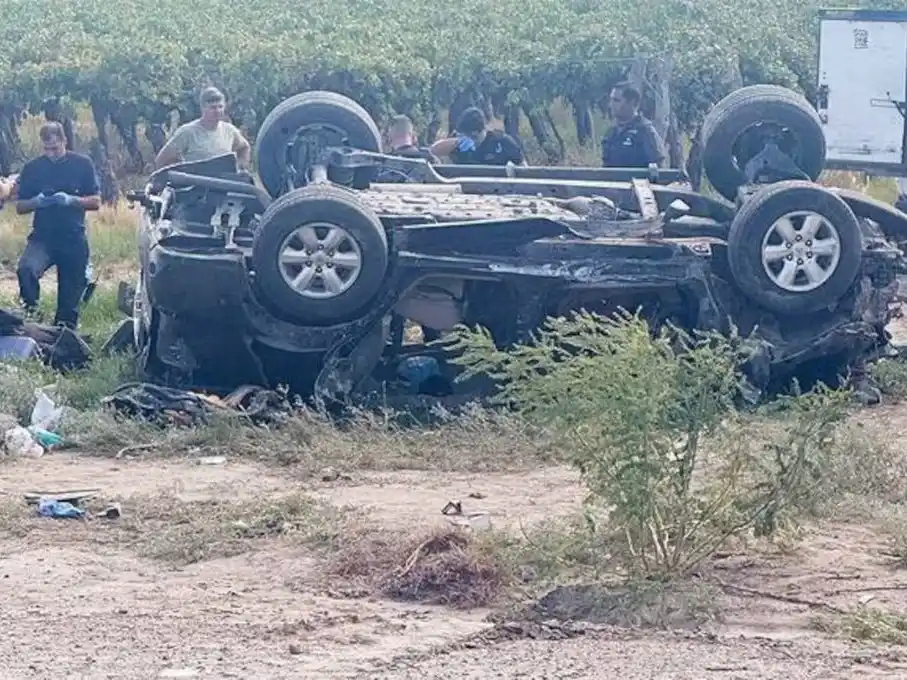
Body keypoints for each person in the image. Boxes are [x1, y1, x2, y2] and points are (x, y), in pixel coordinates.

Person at [15, 121, 101, 328]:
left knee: (68, 310)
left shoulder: (82, 164)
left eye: (55, 148)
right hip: (42, 237)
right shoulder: (33, 168)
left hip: (73, 237)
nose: (51, 153)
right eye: (47, 149)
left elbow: (96, 201)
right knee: (26, 270)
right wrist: (36, 202)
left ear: (64, 141)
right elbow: (20, 206)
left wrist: (72, 200)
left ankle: (63, 337)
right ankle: (31, 316)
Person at [154, 86, 252, 168]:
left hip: (223, 186)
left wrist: (241, 168)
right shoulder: (187, 132)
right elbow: (161, 160)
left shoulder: (230, 131)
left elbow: (244, 147)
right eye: (213, 107)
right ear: (203, 108)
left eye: (220, 107)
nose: (217, 111)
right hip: (196, 187)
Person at [601, 82, 666, 169]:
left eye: (616, 100)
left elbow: (658, 168)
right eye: (611, 100)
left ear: (632, 102)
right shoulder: (611, 133)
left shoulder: (645, 131)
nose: (611, 105)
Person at [430, 107, 525, 166]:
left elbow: (523, 166)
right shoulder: (459, 144)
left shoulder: (502, 141)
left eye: (465, 135)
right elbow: (432, 151)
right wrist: (455, 142)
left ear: (475, 133)